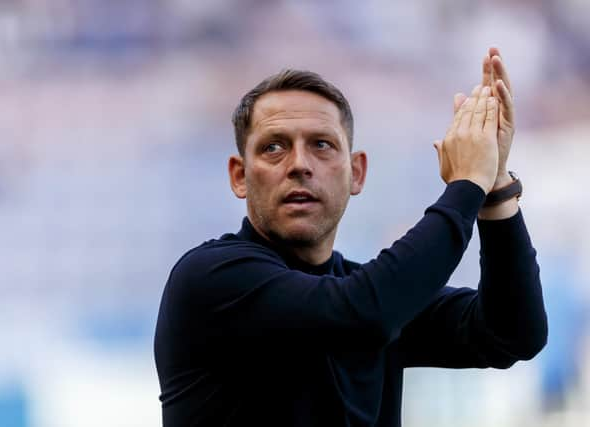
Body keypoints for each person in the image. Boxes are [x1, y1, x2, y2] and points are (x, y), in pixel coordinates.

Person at [154, 47, 548, 427]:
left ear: (356, 173)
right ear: (239, 176)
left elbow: (512, 333)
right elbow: (363, 314)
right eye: (274, 147)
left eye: (321, 145)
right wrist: (466, 184)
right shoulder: (212, 278)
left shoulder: (367, 296)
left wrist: (494, 189)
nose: (300, 165)